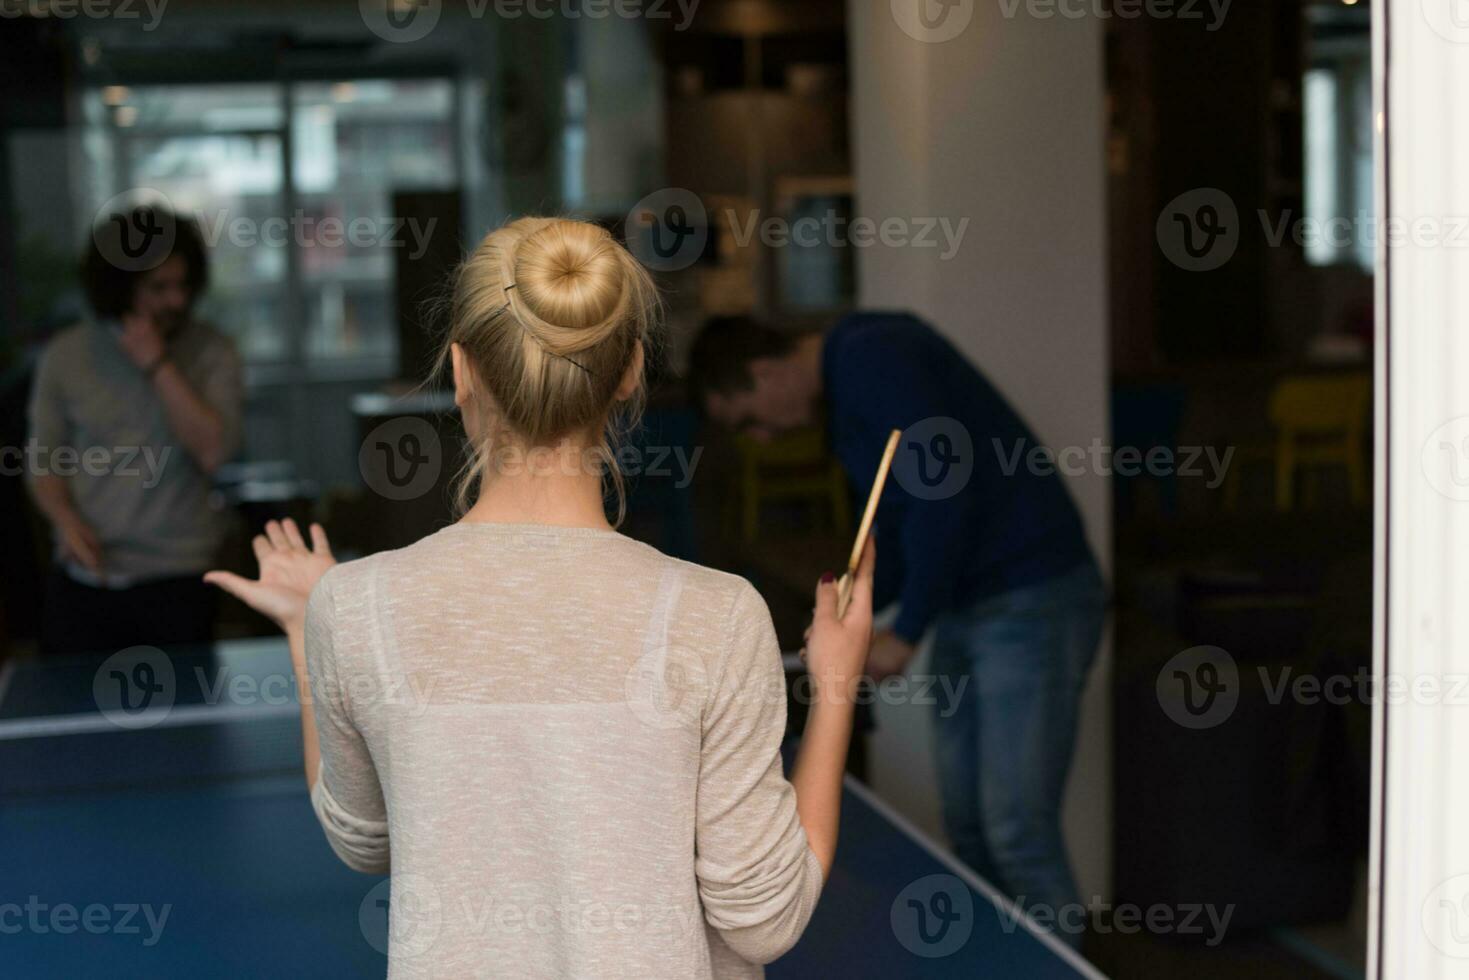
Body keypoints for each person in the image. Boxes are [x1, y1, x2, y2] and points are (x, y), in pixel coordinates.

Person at [205, 217, 876, 977]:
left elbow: (364, 839)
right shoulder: (716, 616)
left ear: (460, 371)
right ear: (629, 374)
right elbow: (763, 919)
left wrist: (308, 627)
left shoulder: (353, 606)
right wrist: (834, 683)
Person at [688, 311, 1105, 947]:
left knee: (1016, 829)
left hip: (1031, 598)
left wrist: (904, 632)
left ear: (764, 372)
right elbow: (899, 521)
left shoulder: (871, 355)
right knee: (968, 826)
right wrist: (866, 613)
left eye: (748, 419)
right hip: (973, 602)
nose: (762, 439)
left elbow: (942, 494)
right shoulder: (848, 390)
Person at [26, 206, 243, 656]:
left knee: (188, 724)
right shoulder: (66, 356)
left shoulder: (213, 352)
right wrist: (64, 520)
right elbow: (43, 461)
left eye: (183, 286)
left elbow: (213, 453)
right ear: (120, 287)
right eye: (158, 288)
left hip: (179, 577)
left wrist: (156, 364)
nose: (176, 301)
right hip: (87, 580)